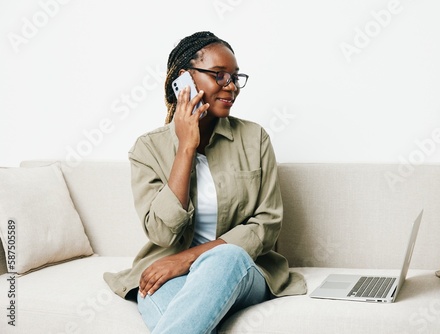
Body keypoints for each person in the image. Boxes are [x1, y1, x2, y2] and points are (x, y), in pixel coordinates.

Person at [104, 31, 306, 333]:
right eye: (219, 75)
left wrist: (187, 259)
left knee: (225, 258)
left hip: (241, 269)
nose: (231, 86)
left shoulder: (255, 139)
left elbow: (266, 227)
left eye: (235, 77)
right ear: (185, 79)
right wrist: (186, 148)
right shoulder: (148, 148)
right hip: (166, 271)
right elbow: (161, 233)